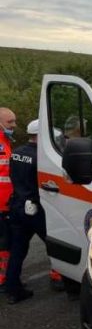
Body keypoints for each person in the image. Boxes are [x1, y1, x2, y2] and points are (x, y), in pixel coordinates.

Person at [5, 119, 45, 303]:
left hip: (17, 206)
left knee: (18, 249)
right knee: (55, 246)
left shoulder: (16, 152)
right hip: (36, 208)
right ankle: (71, 285)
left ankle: (13, 289)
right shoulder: (41, 157)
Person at [0, 107, 16, 293]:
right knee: (4, 243)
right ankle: (3, 278)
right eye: (10, 122)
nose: (14, 125)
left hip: (6, 203)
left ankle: (4, 276)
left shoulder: (5, 142)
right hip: (2, 204)